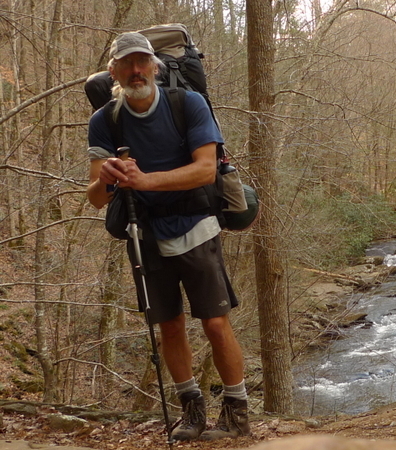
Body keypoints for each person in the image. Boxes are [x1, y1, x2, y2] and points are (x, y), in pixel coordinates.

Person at [85, 31, 249, 441]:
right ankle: (192, 411)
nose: (136, 70)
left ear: (155, 67)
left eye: (143, 62)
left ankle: (236, 414)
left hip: (196, 224)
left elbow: (205, 170)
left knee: (214, 321)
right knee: (170, 326)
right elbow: (94, 199)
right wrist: (106, 179)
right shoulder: (105, 120)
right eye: (127, 64)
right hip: (145, 234)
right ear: (114, 71)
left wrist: (145, 180)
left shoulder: (186, 104)